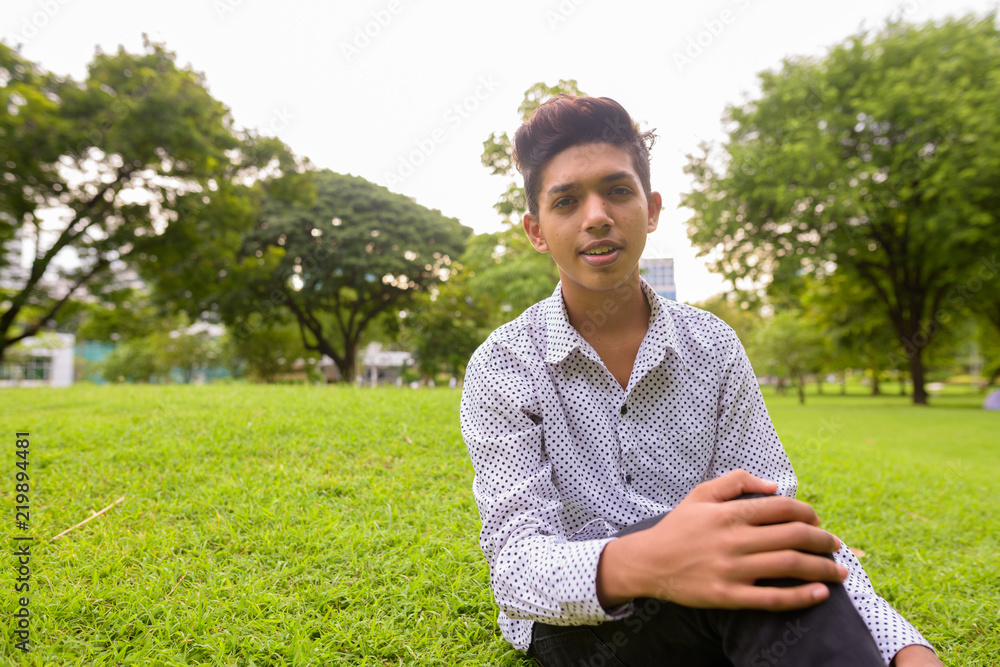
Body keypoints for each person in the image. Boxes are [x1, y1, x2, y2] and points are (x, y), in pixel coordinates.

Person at [459, 95, 941, 666]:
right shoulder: (503, 365)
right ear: (537, 230)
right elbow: (515, 567)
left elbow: (775, 520)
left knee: (763, 548)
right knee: (746, 553)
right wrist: (654, 558)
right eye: (566, 200)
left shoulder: (712, 347)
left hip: (723, 593)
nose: (595, 216)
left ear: (652, 208)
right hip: (585, 621)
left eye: (617, 190)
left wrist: (907, 648)